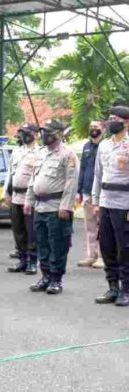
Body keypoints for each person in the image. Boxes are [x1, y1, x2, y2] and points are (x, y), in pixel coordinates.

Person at [24, 119, 78, 295]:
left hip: (56, 208)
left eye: (49, 131)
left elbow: (71, 182)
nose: (44, 135)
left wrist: (66, 206)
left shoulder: (67, 155)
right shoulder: (40, 153)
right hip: (40, 207)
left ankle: (56, 278)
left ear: (60, 134)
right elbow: (33, 179)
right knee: (42, 244)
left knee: (58, 245)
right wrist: (28, 200)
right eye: (43, 131)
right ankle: (45, 276)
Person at [93, 106, 129, 306]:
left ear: (126, 121)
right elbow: (98, 175)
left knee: (124, 248)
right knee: (107, 246)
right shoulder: (104, 145)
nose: (110, 121)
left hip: (124, 202)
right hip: (106, 201)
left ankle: (126, 289)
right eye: (109, 118)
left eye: (114, 118)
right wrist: (96, 200)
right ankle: (113, 287)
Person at [3, 124, 40, 275]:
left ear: (36, 134)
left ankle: (32, 261)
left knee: (31, 230)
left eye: (28, 133)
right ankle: (22, 259)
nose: (25, 136)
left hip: (29, 197)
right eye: (23, 133)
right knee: (18, 230)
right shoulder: (17, 152)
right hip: (16, 195)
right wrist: (6, 191)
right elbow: (10, 173)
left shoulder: (40, 152)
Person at [76, 121, 103, 269]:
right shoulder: (86, 146)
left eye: (96, 126)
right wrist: (79, 191)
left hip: (100, 192)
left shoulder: (105, 146)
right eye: (91, 126)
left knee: (102, 226)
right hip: (86, 191)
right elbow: (82, 170)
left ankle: (101, 256)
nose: (93, 129)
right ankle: (91, 255)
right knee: (89, 226)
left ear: (103, 128)